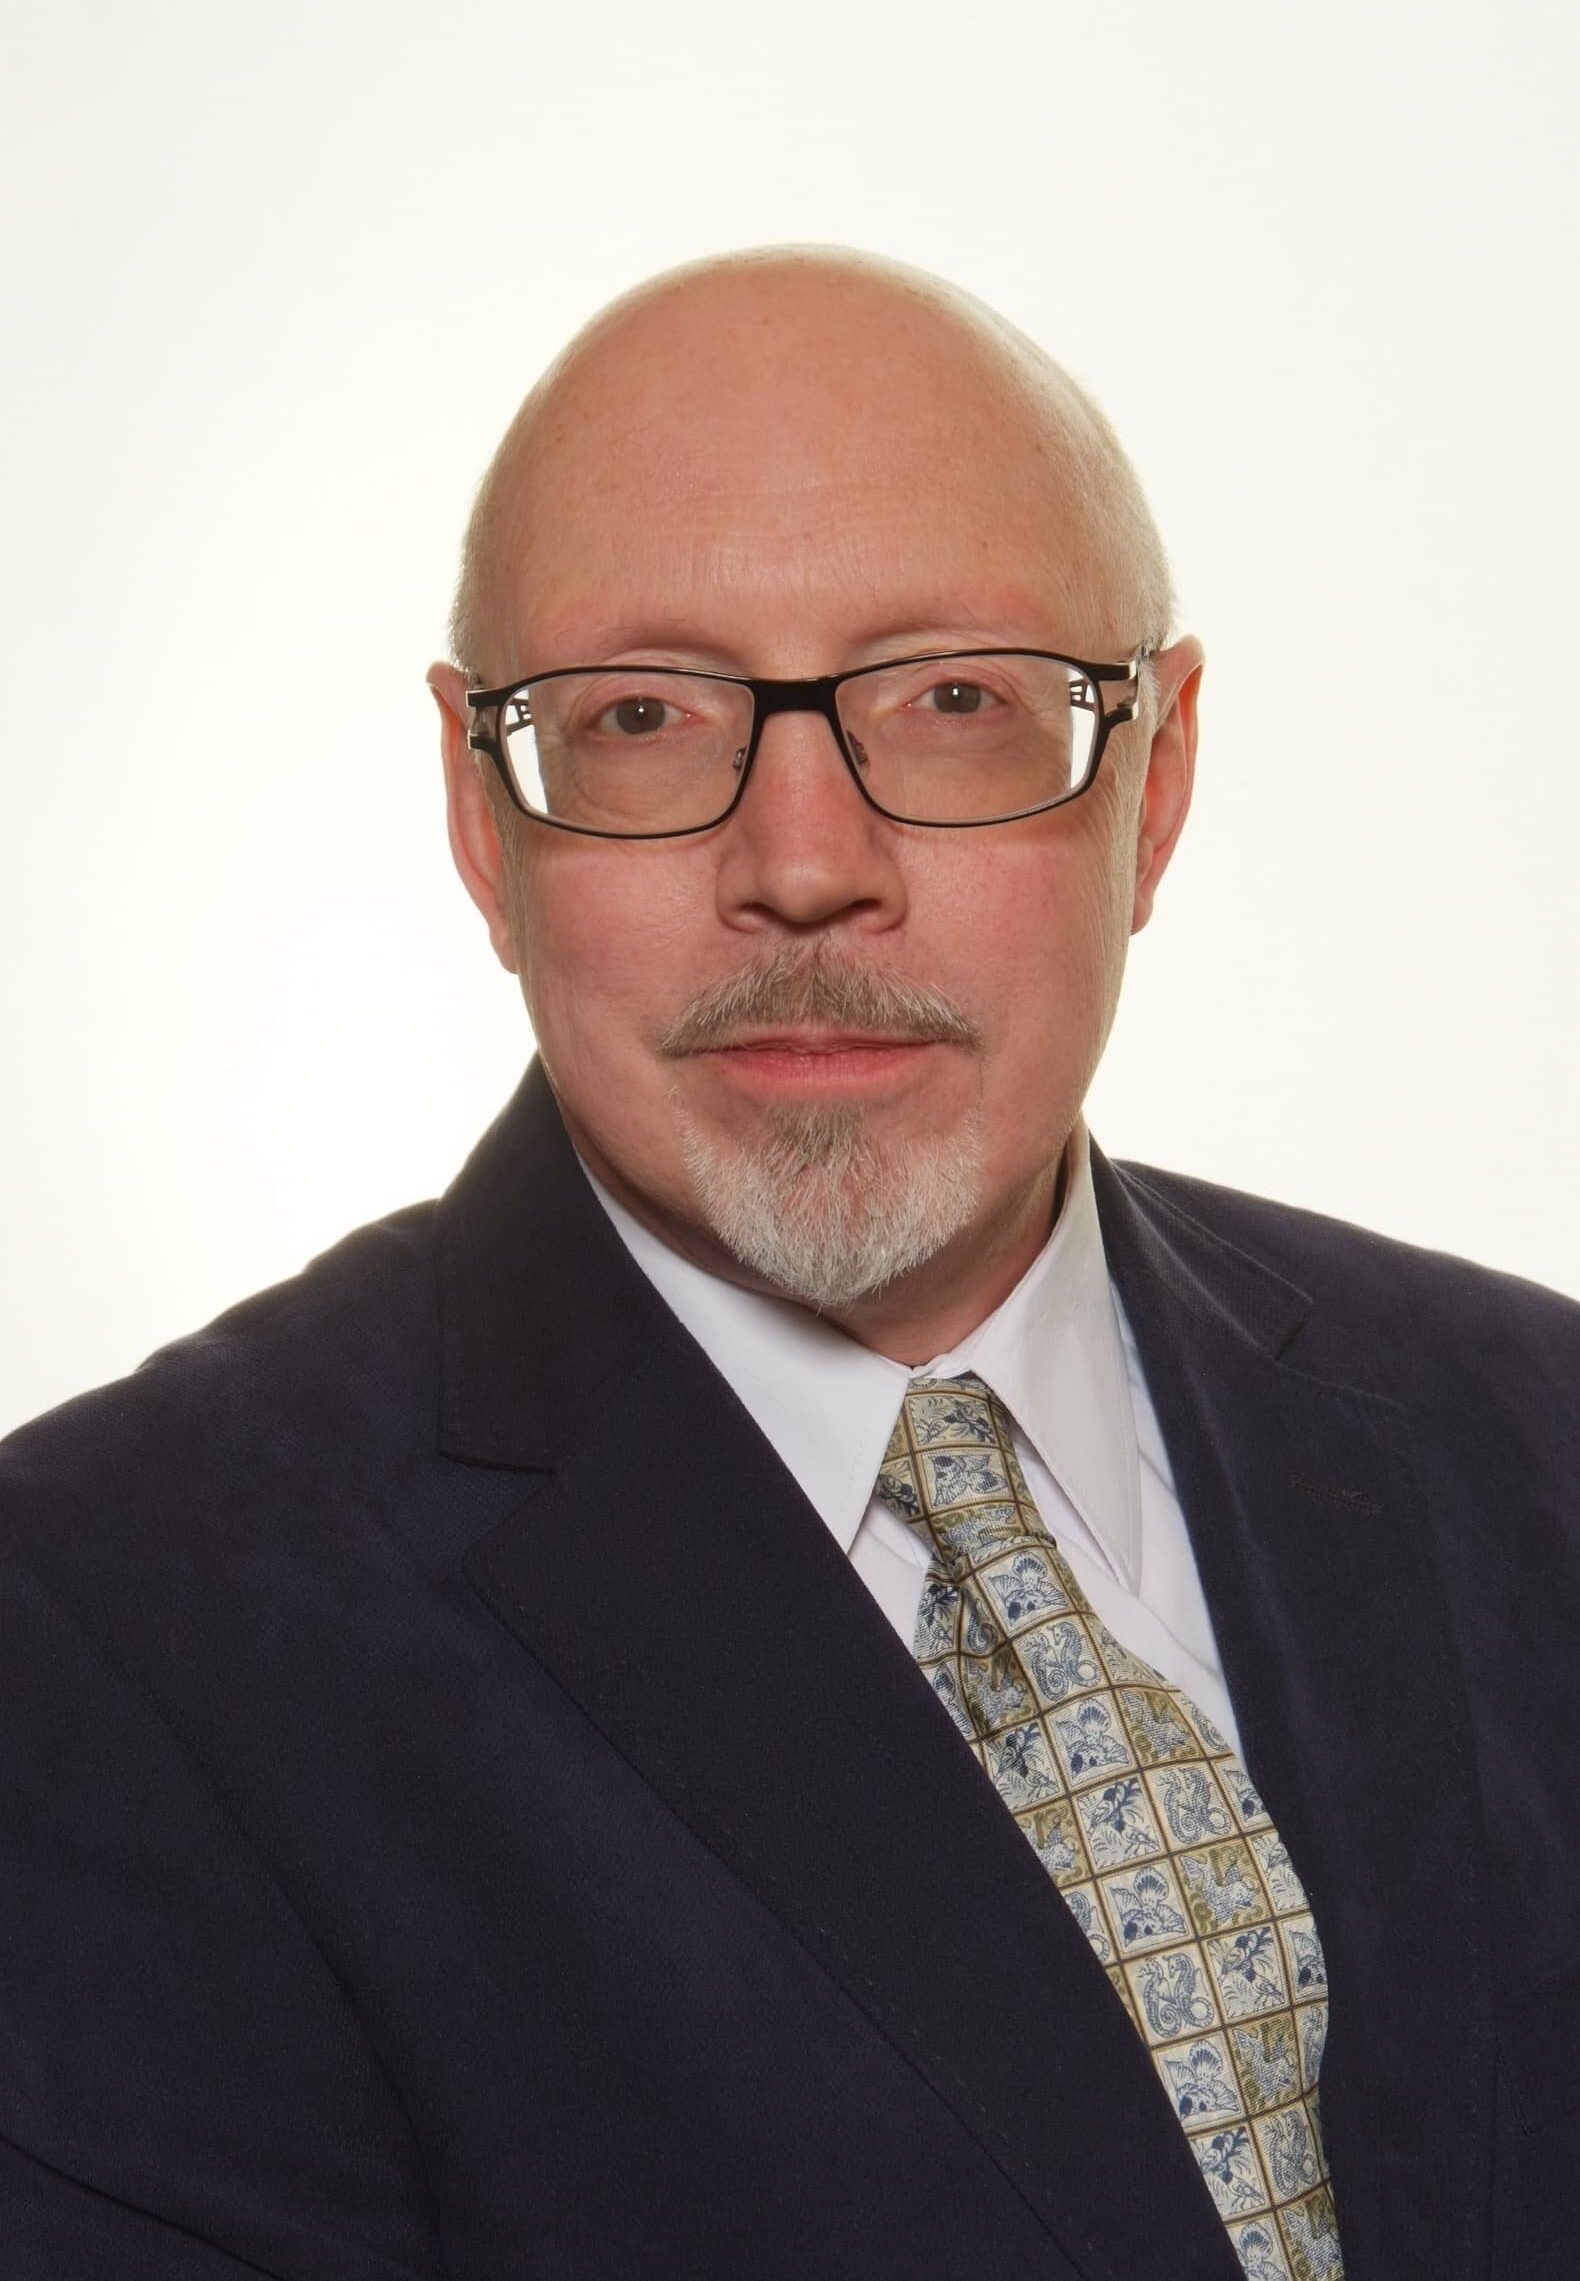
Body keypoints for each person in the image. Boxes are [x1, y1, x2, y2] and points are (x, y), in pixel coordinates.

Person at [2, 246, 1575, 2281]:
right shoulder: (105, 1632)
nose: (808, 863)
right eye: (645, 717)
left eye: (956, 700)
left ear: (1159, 780)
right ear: (485, 817)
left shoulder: (1535, 1439)